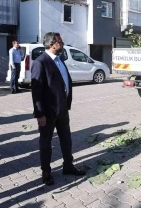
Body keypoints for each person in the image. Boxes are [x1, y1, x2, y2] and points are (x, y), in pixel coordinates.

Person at [31, 32, 86, 186]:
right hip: (47, 113)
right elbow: (36, 91)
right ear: (51, 44)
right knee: (46, 144)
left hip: (62, 110)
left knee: (66, 140)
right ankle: (46, 172)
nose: (62, 44)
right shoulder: (40, 62)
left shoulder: (60, 59)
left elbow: (64, 82)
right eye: (60, 42)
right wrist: (39, 113)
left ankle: (68, 166)